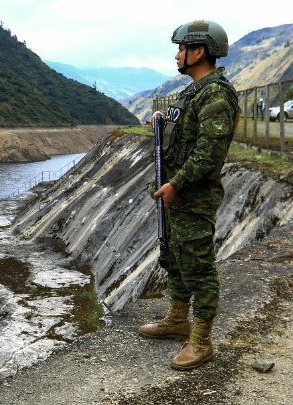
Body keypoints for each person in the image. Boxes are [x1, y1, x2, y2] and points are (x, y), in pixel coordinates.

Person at [139, 19, 240, 371]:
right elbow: (182, 126)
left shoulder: (215, 94)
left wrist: (176, 184)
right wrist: (161, 120)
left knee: (199, 267)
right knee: (177, 259)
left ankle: (201, 340)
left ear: (199, 51)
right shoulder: (192, 92)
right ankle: (176, 319)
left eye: (183, 48)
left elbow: (208, 153)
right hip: (178, 195)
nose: (178, 54)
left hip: (193, 196)